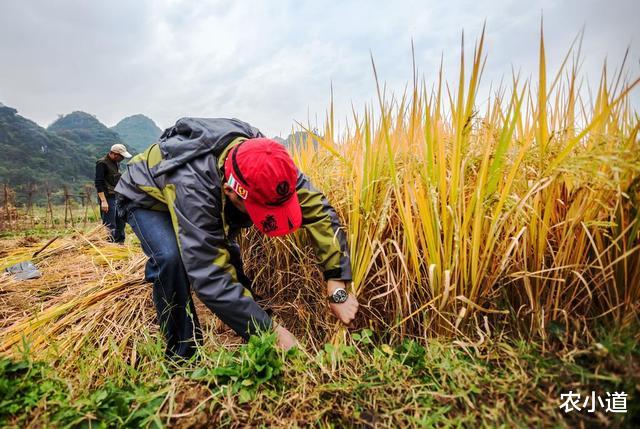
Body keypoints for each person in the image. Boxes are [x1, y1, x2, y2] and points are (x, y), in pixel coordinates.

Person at [115, 117, 359, 359]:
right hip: (144, 195)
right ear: (231, 191)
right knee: (171, 259)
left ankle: (250, 318)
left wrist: (336, 280)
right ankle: (182, 354)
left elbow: (318, 210)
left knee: (227, 249)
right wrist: (270, 332)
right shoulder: (194, 186)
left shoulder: (267, 161)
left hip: (199, 187)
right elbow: (209, 275)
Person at [95, 143, 131, 243]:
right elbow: (99, 183)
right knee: (110, 224)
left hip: (117, 196)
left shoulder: (116, 163)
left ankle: (120, 244)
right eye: (121, 156)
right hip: (107, 197)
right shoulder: (102, 163)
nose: (122, 159)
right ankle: (109, 246)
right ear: (114, 154)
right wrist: (103, 201)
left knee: (121, 221)